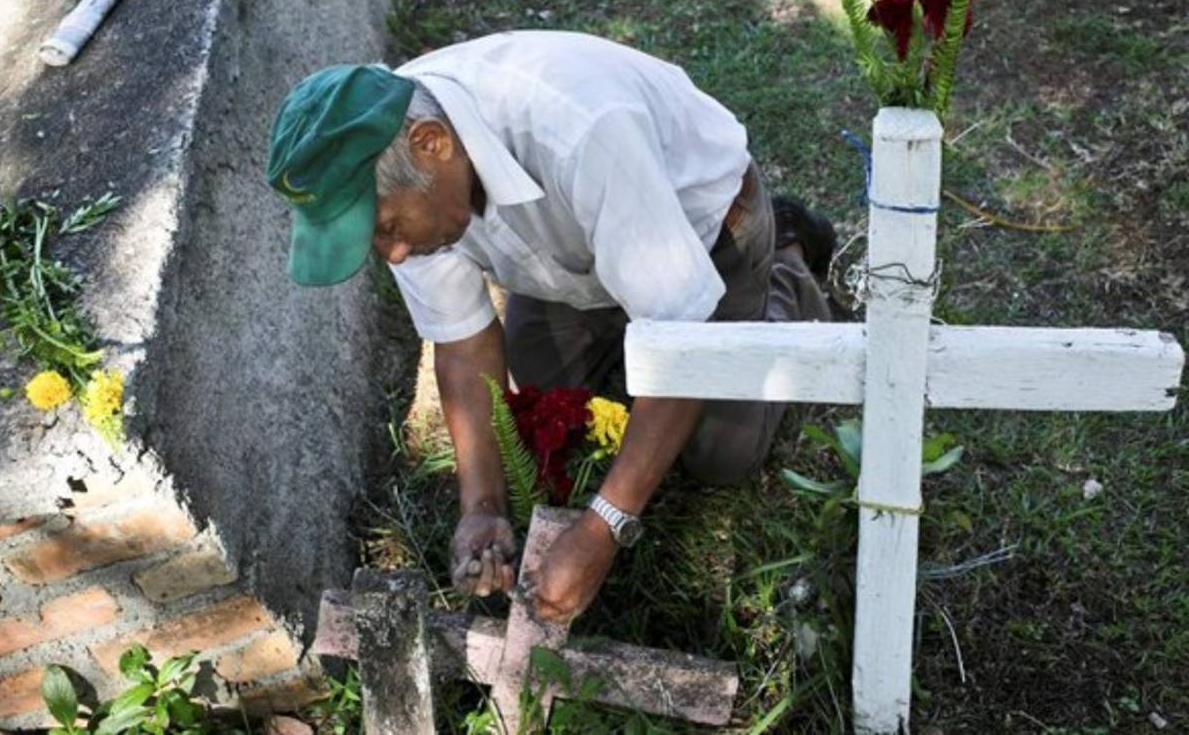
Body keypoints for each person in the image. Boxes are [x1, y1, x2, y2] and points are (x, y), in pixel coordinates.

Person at [266, 31, 834, 624]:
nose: (396, 254)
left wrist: (602, 527)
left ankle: (789, 264)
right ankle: (628, 307)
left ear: (431, 143)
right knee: (545, 399)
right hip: (571, 259)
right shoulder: (401, 160)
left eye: (385, 228)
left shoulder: (581, 130)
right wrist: (481, 506)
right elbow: (463, 345)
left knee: (721, 455)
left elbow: (681, 350)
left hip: (705, 232)